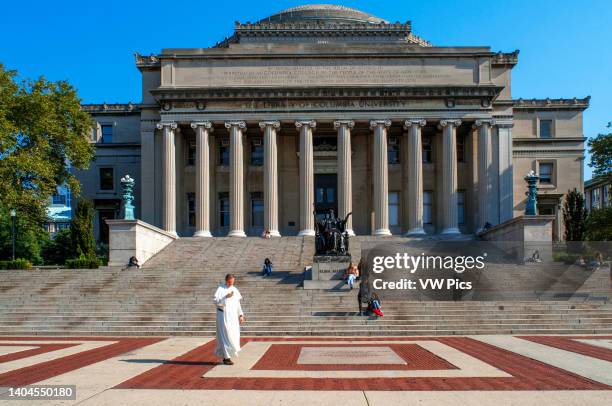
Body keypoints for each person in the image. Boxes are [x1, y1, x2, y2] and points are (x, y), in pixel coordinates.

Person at [213, 274, 246, 365]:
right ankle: (226, 357)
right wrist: (225, 297)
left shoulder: (234, 289)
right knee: (225, 335)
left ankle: (229, 354)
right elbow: (215, 301)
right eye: (229, 282)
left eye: (232, 282)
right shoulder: (221, 289)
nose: (231, 284)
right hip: (223, 316)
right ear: (226, 280)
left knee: (233, 335)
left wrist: (241, 314)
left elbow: (238, 303)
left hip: (233, 317)